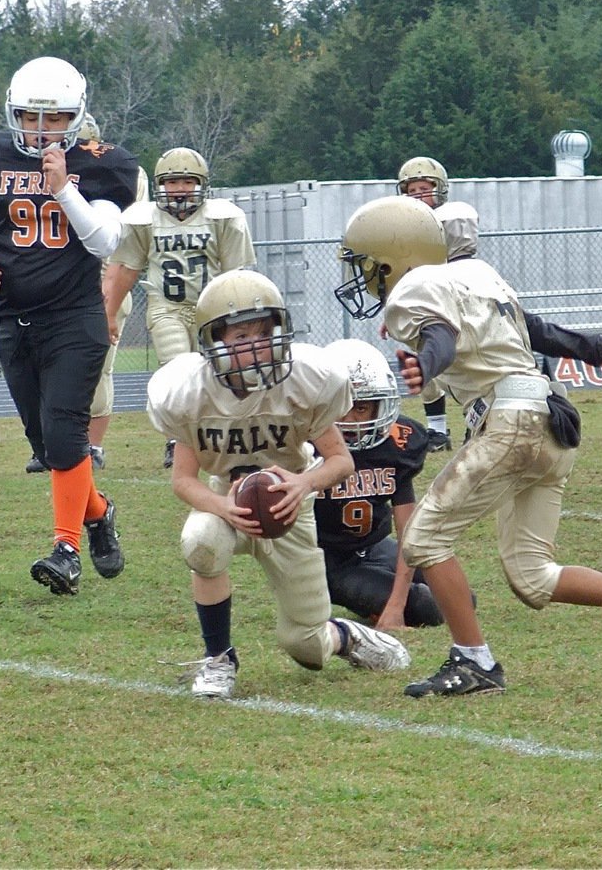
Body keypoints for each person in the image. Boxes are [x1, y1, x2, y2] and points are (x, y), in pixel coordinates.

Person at [335, 195, 602, 698]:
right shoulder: (475, 278)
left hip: (511, 424)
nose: (364, 277)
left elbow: (440, 336)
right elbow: (543, 333)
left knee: (424, 539)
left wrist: (427, 365)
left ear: (391, 256)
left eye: (365, 264)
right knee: (532, 577)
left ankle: (474, 663)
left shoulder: (413, 293)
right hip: (552, 424)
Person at [146, 269, 411, 699]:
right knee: (201, 540)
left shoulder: (305, 378)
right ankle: (218, 658)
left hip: (292, 510)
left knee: (305, 646)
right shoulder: (189, 390)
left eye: (261, 332)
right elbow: (182, 481)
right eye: (239, 336)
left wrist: (303, 484)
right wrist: (222, 506)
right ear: (214, 341)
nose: (254, 346)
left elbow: (341, 461)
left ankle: (344, 635)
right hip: (228, 502)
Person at [0, 56, 139, 594]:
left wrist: (62, 189)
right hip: (12, 319)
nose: (40, 129)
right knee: (47, 444)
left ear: (75, 118)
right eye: (31, 116)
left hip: (75, 320)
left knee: (63, 432)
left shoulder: (101, 164)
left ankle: (66, 550)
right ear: (14, 113)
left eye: (54, 118)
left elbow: (105, 242)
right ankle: (98, 513)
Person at [103, 146, 257, 469]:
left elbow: (237, 275)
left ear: (202, 184)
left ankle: (222, 436)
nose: (180, 189)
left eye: (188, 181)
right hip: (166, 307)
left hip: (214, 307)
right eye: (172, 182)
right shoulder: (144, 220)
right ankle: (178, 441)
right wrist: (109, 314)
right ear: (160, 185)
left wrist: (241, 318)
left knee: (220, 374)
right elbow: (126, 270)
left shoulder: (223, 218)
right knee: (176, 372)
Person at [25, 113, 149, 473]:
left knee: (97, 370)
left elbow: (122, 245)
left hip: (102, 275)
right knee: (42, 370)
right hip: (56, 282)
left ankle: (91, 446)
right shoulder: (36, 167)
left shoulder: (114, 173)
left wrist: (108, 302)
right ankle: (49, 445)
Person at [315, 338, 446, 630]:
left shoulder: (398, 442)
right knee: (425, 606)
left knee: (454, 597)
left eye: (361, 408)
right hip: (323, 560)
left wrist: (396, 604)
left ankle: (379, 600)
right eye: (341, 407)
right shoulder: (303, 445)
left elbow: (408, 530)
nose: (350, 421)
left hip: (374, 546)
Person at [395, 156, 480, 453]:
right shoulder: (404, 228)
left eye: (424, 188)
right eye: (412, 189)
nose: (418, 195)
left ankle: (476, 420)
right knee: (426, 363)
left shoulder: (450, 220)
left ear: (439, 189)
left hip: (456, 300)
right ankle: (437, 430)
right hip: (426, 304)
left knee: (467, 365)